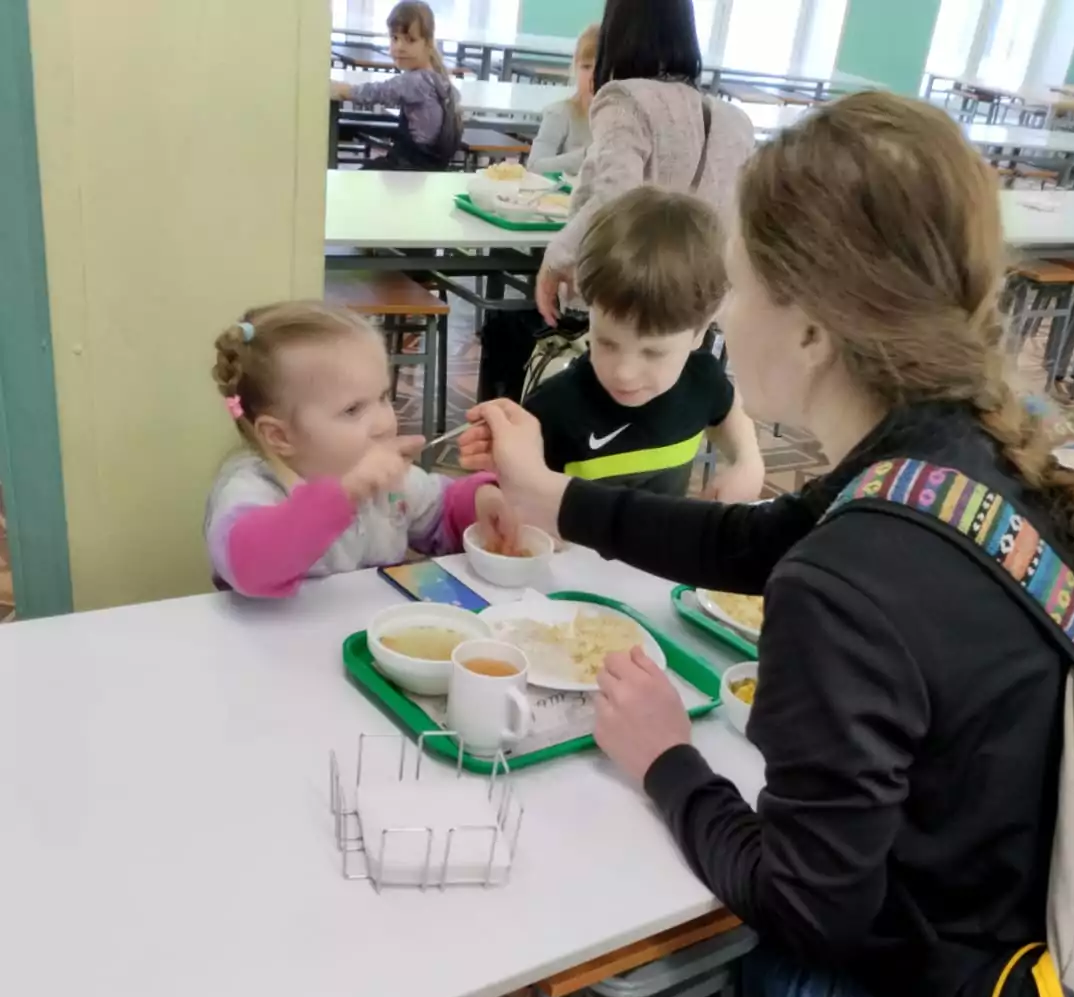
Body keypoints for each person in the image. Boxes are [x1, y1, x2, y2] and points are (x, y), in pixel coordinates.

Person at [461, 93, 1074, 997]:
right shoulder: (960, 444)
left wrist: (665, 759)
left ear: (814, 327)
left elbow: (806, 906)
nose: (725, 314)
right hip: (1054, 983)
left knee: (740, 935)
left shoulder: (852, 580)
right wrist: (553, 498)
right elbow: (761, 537)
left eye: (739, 287)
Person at [205, 302, 514, 597]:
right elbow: (251, 567)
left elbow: (439, 512)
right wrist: (345, 495)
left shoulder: (386, 479)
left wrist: (480, 504)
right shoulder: (251, 489)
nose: (384, 423)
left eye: (383, 397)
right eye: (352, 409)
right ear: (279, 436)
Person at [525, 187, 763, 501]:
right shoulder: (554, 407)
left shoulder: (701, 379)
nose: (624, 372)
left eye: (653, 352)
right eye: (606, 343)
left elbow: (728, 408)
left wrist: (748, 461)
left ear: (700, 331)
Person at [535, 0, 755, 325]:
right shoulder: (736, 120)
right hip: (698, 305)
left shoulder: (625, 98)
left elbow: (615, 197)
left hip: (628, 297)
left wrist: (556, 256)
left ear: (618, 27)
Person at [331, 1, 461, 172]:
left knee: (356, 180)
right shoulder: (441, 80)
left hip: (409, 170)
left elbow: (378, 92)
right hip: (428, 170)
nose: (399, 47)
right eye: (395, 38)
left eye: (410, 40)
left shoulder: (416, 81)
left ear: (428, 43)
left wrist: (344, 90)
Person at [527, 24, 599, 177]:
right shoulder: (560, 113)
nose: (593, 76)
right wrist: (587, 155)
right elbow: (534, 166)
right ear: (575, 68)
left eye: (601, 68)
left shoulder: (623, 119)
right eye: (586, 67)